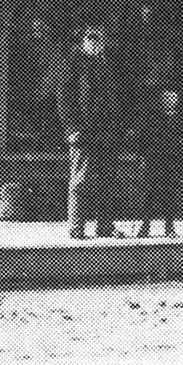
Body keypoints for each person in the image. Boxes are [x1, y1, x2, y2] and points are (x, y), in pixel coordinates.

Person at [60, 27, 119, 240]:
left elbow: (111, 100)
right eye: (91, 39)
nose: (95, 43)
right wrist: (72, 129)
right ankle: (76, 228)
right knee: (81, 180)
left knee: (107, 180)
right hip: (83, 133)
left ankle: (105, 226)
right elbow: (64, 99)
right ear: (83, 41)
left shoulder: (104, 64)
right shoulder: (74, 62)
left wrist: (115, 128)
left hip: (105, 133)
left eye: (99, 39)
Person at [133, 85, 183, 238]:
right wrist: (141, 158)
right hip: (154, 161)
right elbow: (142, 139)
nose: (170, 101)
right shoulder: (152, 118)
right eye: (166, 99)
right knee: (150, 194)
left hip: (173, 162)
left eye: (173, 99)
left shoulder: (181, 119)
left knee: (170, 194)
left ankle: (169, 227)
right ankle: (145, 227)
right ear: (161, 101)